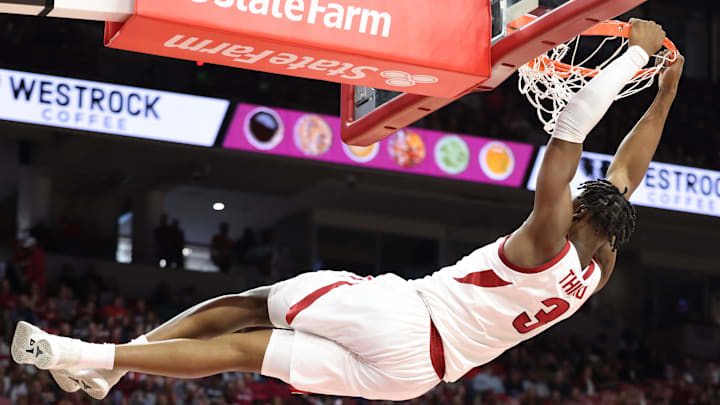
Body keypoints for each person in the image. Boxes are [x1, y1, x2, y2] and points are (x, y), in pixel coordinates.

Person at [11, 19, 684, 402]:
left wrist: (632, 57)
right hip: (414, 376)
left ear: (574, 218)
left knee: (249, 306)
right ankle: (97, 361)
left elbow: (571, 136)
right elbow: (628, 173)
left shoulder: (546, 240)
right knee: (240, 353)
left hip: (404, 316)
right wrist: (666, 94)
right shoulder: (595, 268)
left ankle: (97, 356)